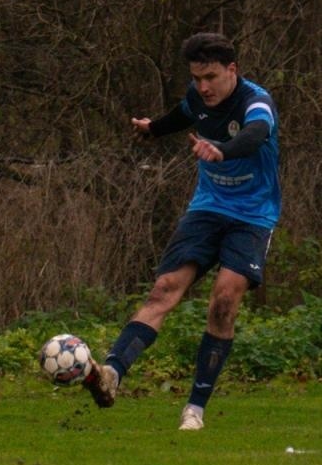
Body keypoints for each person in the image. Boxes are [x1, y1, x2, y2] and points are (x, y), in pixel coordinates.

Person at [84, 32, 280, 430]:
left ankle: (195, 408)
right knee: (163, 289)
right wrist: (153, 129)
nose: (203, 87)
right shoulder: (197, 97)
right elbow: (183, 113)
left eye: (210, 77)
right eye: (196, 78)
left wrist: (222, 150)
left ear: (232, 70)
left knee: (223, 301)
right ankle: (111, 374)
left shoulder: (255, 102)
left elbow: (255, 134)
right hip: (207, 209)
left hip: (253, 217)